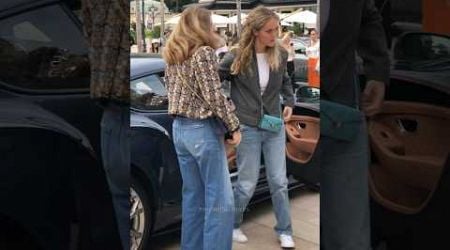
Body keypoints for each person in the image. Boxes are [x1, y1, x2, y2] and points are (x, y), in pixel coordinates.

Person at [162, 6, 241, 250]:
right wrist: (233, 126)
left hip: (180, 130)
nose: (213, 28)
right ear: (202, 25)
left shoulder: (173, 54)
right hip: (201, 131)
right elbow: (214, 95)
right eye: (210, 23)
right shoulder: (203, 53)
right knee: (220, 201)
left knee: (194, 198)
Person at [219, 6, 296, 249]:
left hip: (273, 125)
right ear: (254, 32)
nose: (274, 35)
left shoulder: (280, 55)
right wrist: (227, 104)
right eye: (269, 31)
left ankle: (284, 230)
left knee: (279, 181)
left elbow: (285, 81)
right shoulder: (237, 55)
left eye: (276, 29)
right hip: (248, 127)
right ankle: (232, 223)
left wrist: (290, 101)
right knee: (246, 184)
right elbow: (217, 79)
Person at [319, 0, 390, 249]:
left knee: (349, 234)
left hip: (342, 110)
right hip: (288, 119)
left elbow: (367, 16)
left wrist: (377, 71)